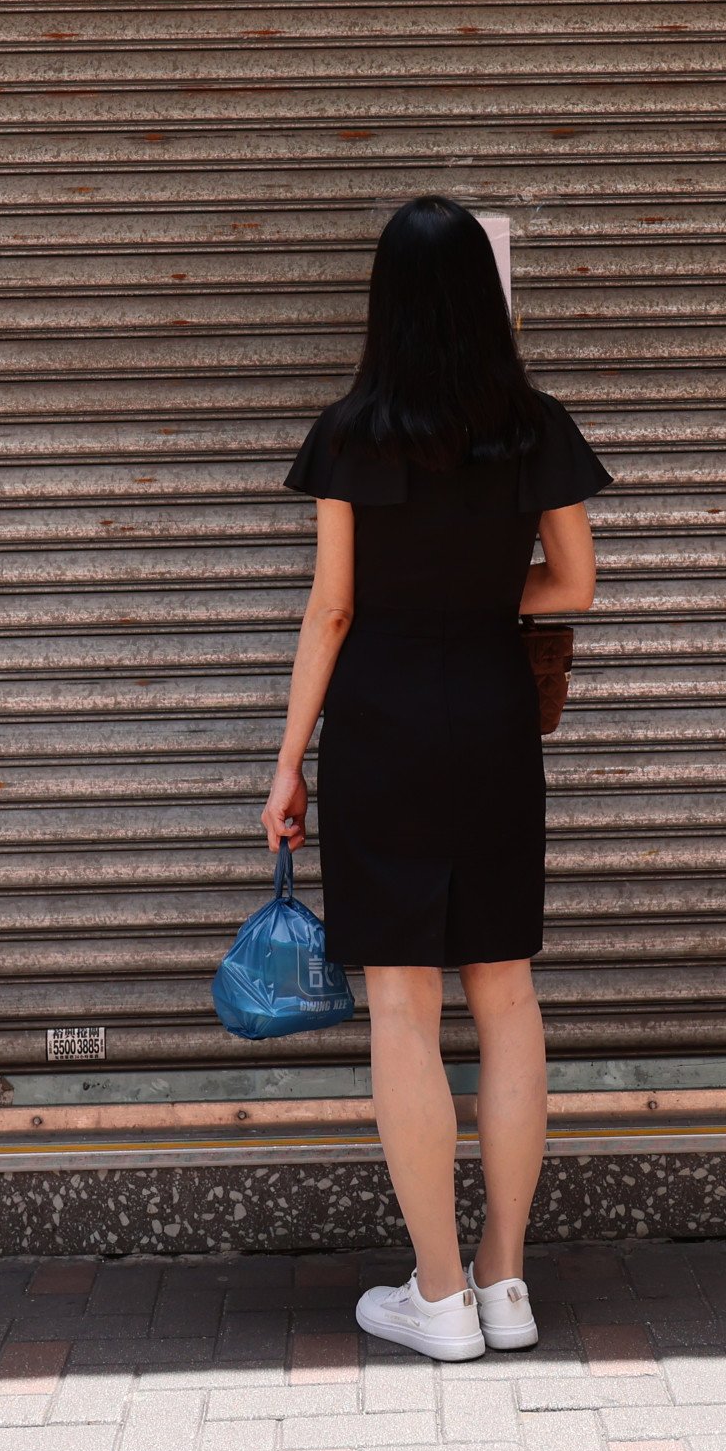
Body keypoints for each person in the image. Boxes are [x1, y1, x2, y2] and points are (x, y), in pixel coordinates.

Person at [262, 195, 609, 1364]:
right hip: (494, 716)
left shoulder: (352, 433)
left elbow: (335, 607)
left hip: (383, 721)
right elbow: (573, 588)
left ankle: (441, 1296)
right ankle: (510, 1285)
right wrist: (477, 600)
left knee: (405, 1006)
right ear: (487, 296)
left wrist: (286, 763)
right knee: (505, 997)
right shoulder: (535, 427)